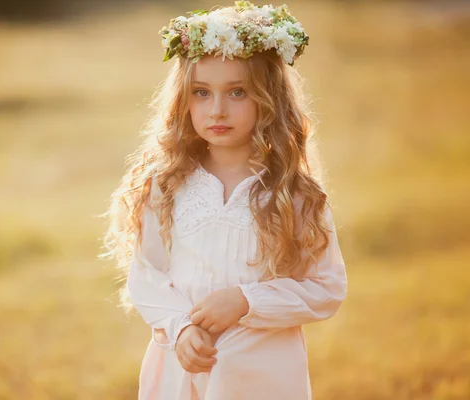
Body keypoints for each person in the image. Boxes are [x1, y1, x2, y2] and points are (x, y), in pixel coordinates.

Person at [102, 2, 348, 399]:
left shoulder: (292, 192)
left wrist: (247, 301)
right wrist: (181, 327)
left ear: (268, 98)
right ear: (183, 99)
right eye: (202, 93)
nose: (217, 109)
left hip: (261, 373)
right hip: (183, 370)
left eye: (237, 92)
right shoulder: (167, 185)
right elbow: (147, 273)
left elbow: (327, 287)